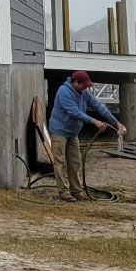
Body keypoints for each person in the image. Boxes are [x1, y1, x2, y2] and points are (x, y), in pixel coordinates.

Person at [48, 70, 125, 201]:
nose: (85, 88)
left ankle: (76, 190)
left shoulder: (83, 92)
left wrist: (115, 122)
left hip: (73, 133)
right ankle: (63, 192)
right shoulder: (64, 92)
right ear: (75, 82)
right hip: (59, 131)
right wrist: (95, 121)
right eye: (84, 85)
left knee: (75, 162)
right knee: (59, 162)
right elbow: (74, 112)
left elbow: (98, 106)